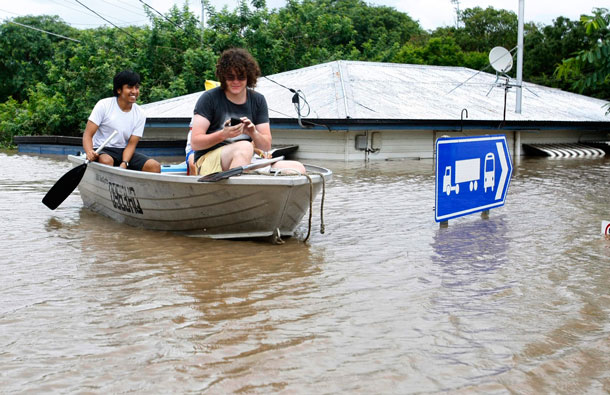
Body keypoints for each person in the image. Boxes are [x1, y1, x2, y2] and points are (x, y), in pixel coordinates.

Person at [190, 48, 306, 176]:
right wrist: (223, 134)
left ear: (249, 77)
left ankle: (256, 190)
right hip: (208, 161)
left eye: (241, 77)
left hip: (247, 159)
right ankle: (233, 193)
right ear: (223, 77)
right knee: (244, 147)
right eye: (230, 77)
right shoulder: (209, 98)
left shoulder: (258, 100)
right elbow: (195, 143)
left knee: (297, 168)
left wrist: (253, 133)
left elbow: (266, 146)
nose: (235, 81)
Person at [82, 70, 161, 173]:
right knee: (106, 161)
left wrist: (124, 163)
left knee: (154, 166)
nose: (134, 91)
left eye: (136, 88)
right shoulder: (104, 105)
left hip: (123, 151)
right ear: (119, 90)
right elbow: (88, 135)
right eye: (129, 87)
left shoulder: (140, 113)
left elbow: (131, 144)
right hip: (102, 149)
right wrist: (89, 152)